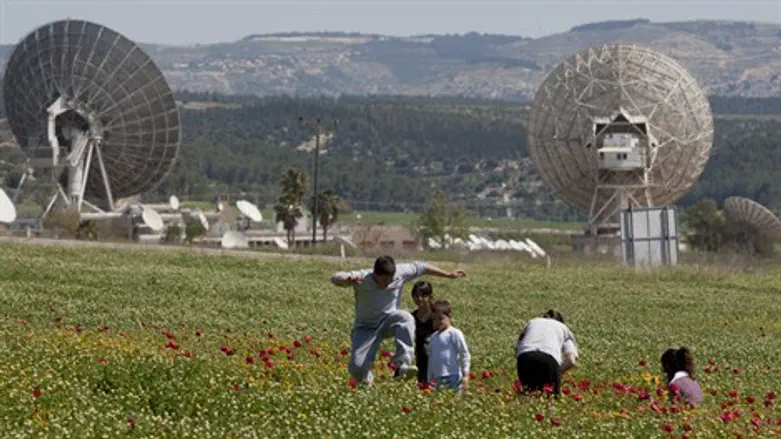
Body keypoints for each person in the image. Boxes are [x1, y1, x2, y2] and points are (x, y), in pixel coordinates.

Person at [330, 256, 466, 384]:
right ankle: (366, 380)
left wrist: (448, 275)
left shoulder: (400, 273)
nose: (387, 284)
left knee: (405, 317)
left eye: (390, 280)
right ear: (375, 274)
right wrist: (347, 279)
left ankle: (402, 365)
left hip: (389, 320)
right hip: (366, 327)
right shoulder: (363, 277)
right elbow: (335, 277)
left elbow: (423, 267)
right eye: (383, 280)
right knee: (357, 369)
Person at [515, 309, 578, 395]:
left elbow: (518, 346)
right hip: (548, 359)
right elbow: (571, 361)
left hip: (524, 357)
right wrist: (555, 373)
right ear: (561, 321)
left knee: (528, 395)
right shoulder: (563, 328)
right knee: (551, 399)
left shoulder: (532, 322)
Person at [426, 300, 471, 391]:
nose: (437, 321)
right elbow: (431, 359)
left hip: (452, 375)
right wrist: (429, 378)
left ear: (449, 316)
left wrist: (466, 374)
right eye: (434, 319)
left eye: (440, 318)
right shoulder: (433, 337)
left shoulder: (454, 333)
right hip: (437, 378)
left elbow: (464, 354)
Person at [411, 281, 436, 384]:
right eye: (416, 296)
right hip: (421, 360)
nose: (419, 299)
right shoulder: (412, 317)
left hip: (437, 359)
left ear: (429, 296)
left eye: (423, 295)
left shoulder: (437, 315)